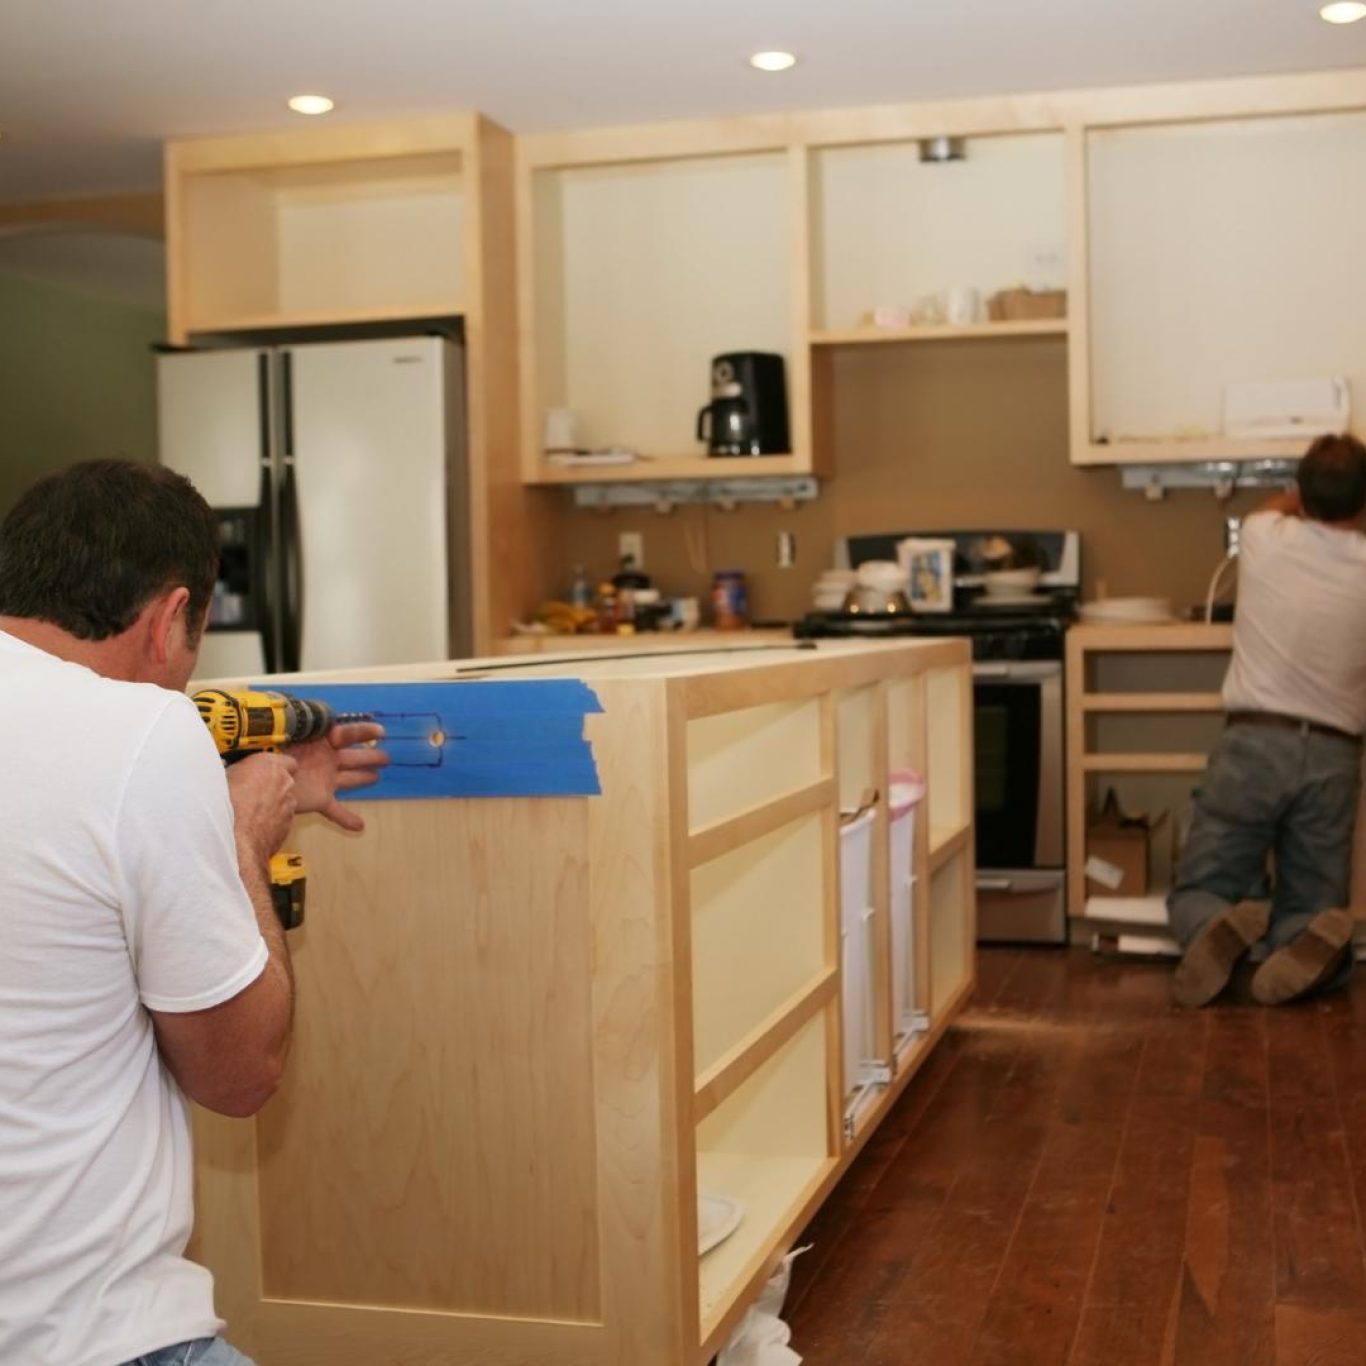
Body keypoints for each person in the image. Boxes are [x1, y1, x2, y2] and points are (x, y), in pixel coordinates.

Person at [0, 460, 387, 1366]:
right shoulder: (144, 732)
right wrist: (241, 843)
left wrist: (210, 805)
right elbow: (240, 1075)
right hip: (77, 1336)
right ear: (173, 617)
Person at [1169, 433, 1366, 1008]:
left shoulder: (1262, 536)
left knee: (1203, 880)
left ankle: (1213, 923)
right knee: (1313, 901)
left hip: (1255, 741)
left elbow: (1272, 507)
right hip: (1333, 752)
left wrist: (1296, 497)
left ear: (1300, 493)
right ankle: (1308, 944)